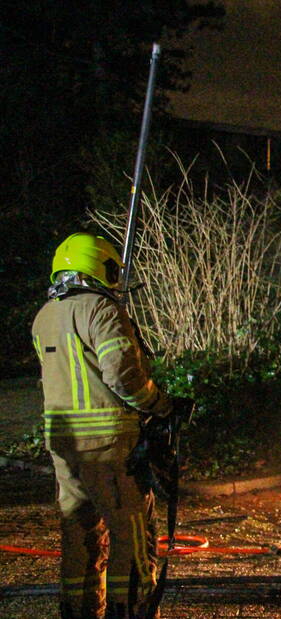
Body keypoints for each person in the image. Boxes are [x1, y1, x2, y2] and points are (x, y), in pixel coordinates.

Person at [31, 233, 172, 619]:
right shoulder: (102, 310)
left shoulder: (45, 315)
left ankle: (78, 610)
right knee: (131, 535)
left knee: (80, 535)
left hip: (64, 448)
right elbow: (123, 376)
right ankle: (131, 611)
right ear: (97, 266)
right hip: (109, 446)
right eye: (112, 269)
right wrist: (159, 405)